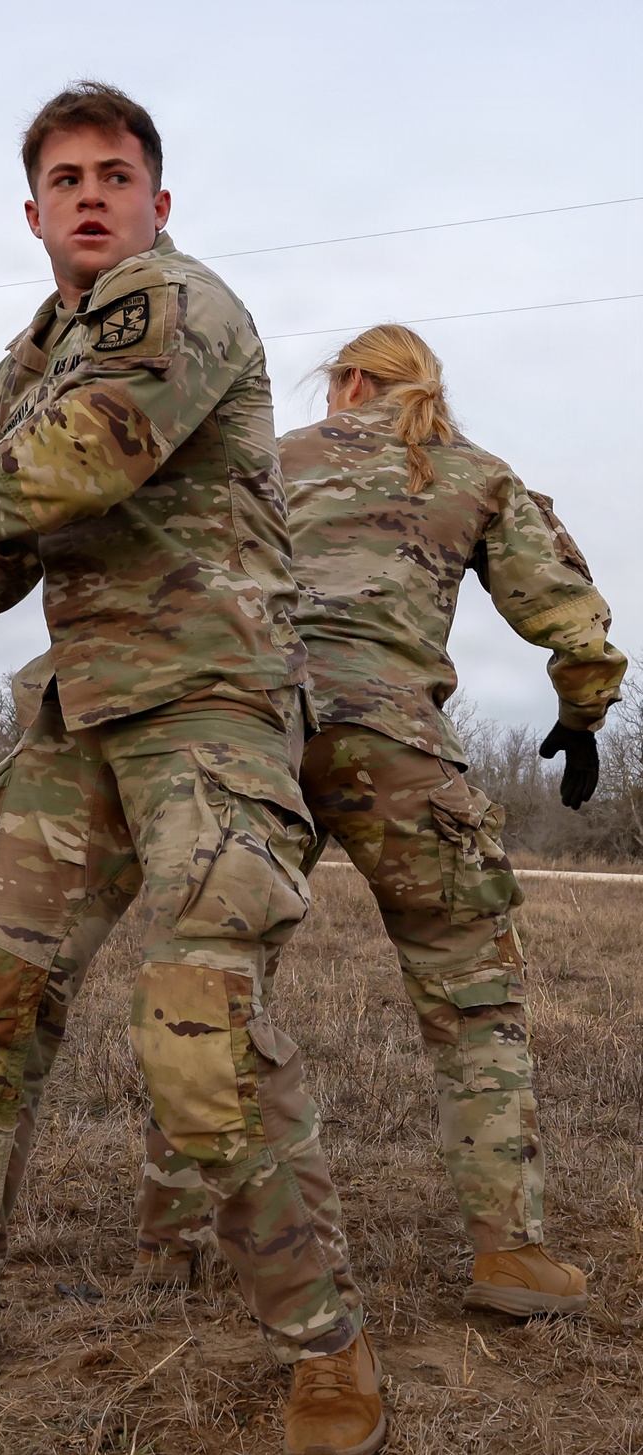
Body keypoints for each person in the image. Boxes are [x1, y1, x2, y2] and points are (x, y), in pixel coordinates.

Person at [0, 85, 386, 1455]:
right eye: (67, 178)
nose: (94, 194)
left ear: (159, 202)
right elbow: (2, 549)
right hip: (77, 726)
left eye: (118, 173)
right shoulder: (31, 356)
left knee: (198, 1037)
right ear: (36, 212)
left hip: (210, 716)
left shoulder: (177, 306)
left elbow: (74, 466)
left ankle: (326, 1342)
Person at [134, 324, 626, 1319]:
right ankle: (506, 1256)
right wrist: (581, 718)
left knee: (213, 990)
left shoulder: (269, 465)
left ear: (353, 382)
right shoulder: (475, 473)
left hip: (258, 733)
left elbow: (179, 588)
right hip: (393, 740)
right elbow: (572, 621)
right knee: (472, 998)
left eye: (333, 386)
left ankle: (166, 1243)